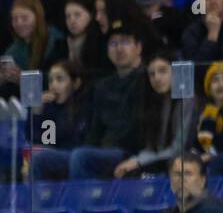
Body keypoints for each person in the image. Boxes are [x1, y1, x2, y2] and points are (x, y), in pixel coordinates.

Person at [30, 19, 143, 181]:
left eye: (125, 42)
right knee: (40, 158)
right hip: (98, 152)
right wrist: (38, 112)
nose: (118, 48)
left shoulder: (146, 80)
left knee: (80, 156)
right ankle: (40, 207)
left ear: (138, 47)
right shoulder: (102, 86)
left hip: (128, 151)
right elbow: (94, 129)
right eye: (113, 43)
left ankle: (80, 206)